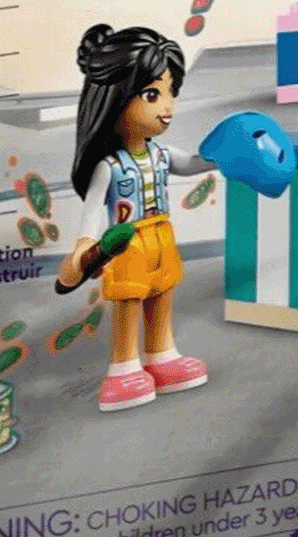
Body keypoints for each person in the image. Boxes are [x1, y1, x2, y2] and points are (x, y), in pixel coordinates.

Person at [56, 24, 214, 411]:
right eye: (152, 95)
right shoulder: (110, 167)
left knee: (162, 294)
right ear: (115, 99)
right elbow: (93, 209)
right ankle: (123, 367)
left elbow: (192, 163)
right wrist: (85, 247)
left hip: (162, 238)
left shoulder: (161, 154)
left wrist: (225, 154)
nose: (167, 107)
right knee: (128, 301)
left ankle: (162, 356)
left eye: (170, 92)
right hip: (126, 243)